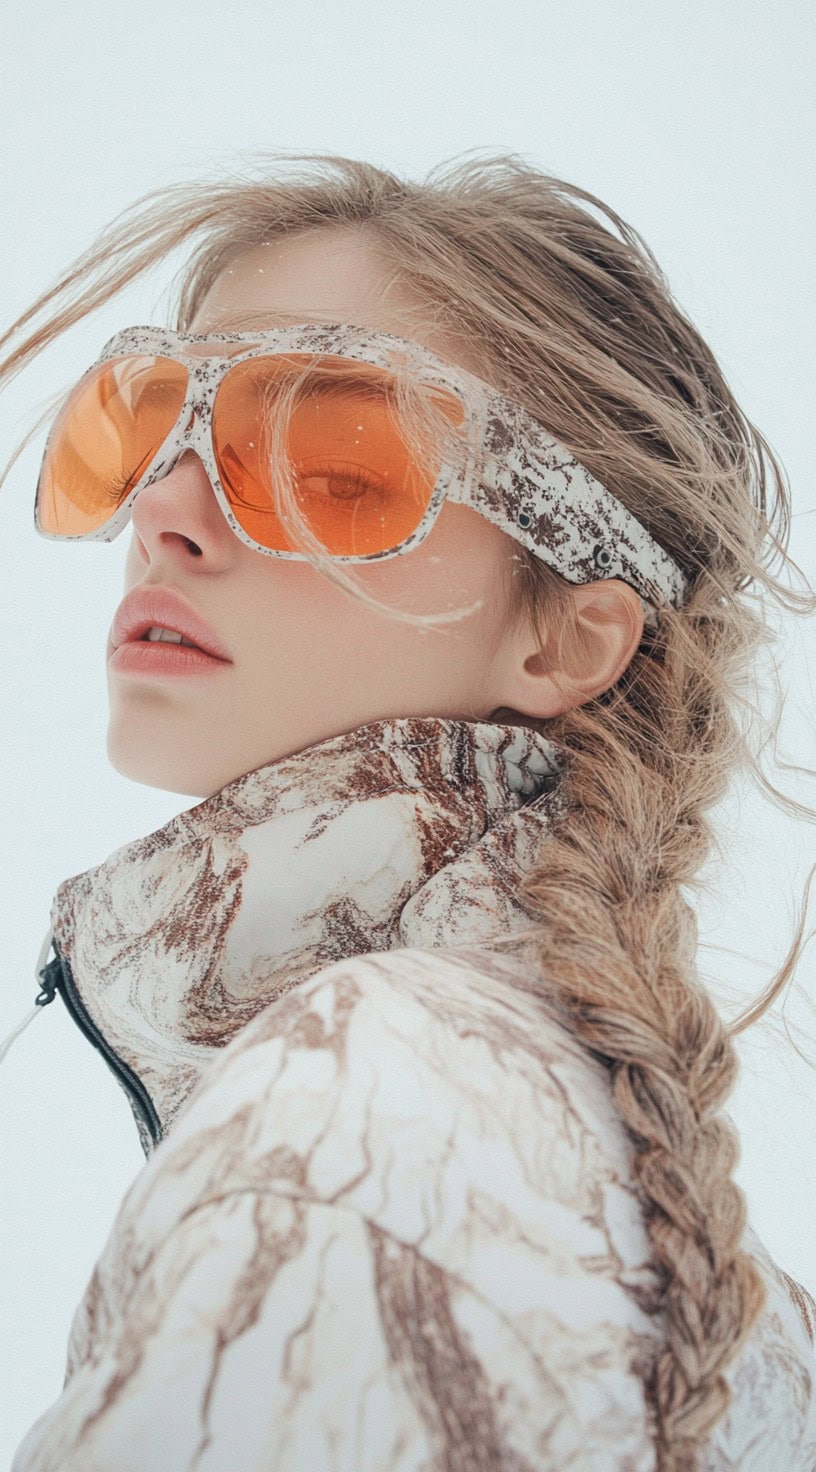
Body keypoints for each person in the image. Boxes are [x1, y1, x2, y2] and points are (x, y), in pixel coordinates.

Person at [2, 151, 814, 1471]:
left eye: (330, 463)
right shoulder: (613, 1192)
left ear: (565, 639)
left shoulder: (365, 1121)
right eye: (146, 429)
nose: (164, 513)